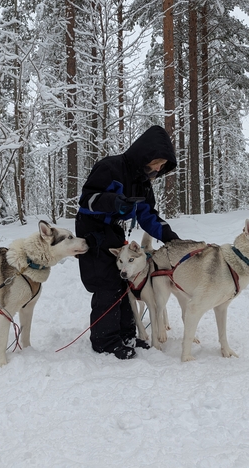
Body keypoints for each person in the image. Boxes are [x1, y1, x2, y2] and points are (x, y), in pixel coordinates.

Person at [75, 125, 180, 359]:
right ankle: (105, 341)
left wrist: (171, 239)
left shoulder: (143, 182)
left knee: (124, 281)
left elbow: (148, 216)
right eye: (156, 162)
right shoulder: (110, 167)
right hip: (91, 228)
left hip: (112, 228)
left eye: (162, 166)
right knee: (106, 283)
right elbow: (87, 200)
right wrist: (114, 202)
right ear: (145, 154)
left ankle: (126, 334)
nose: (158, 168)